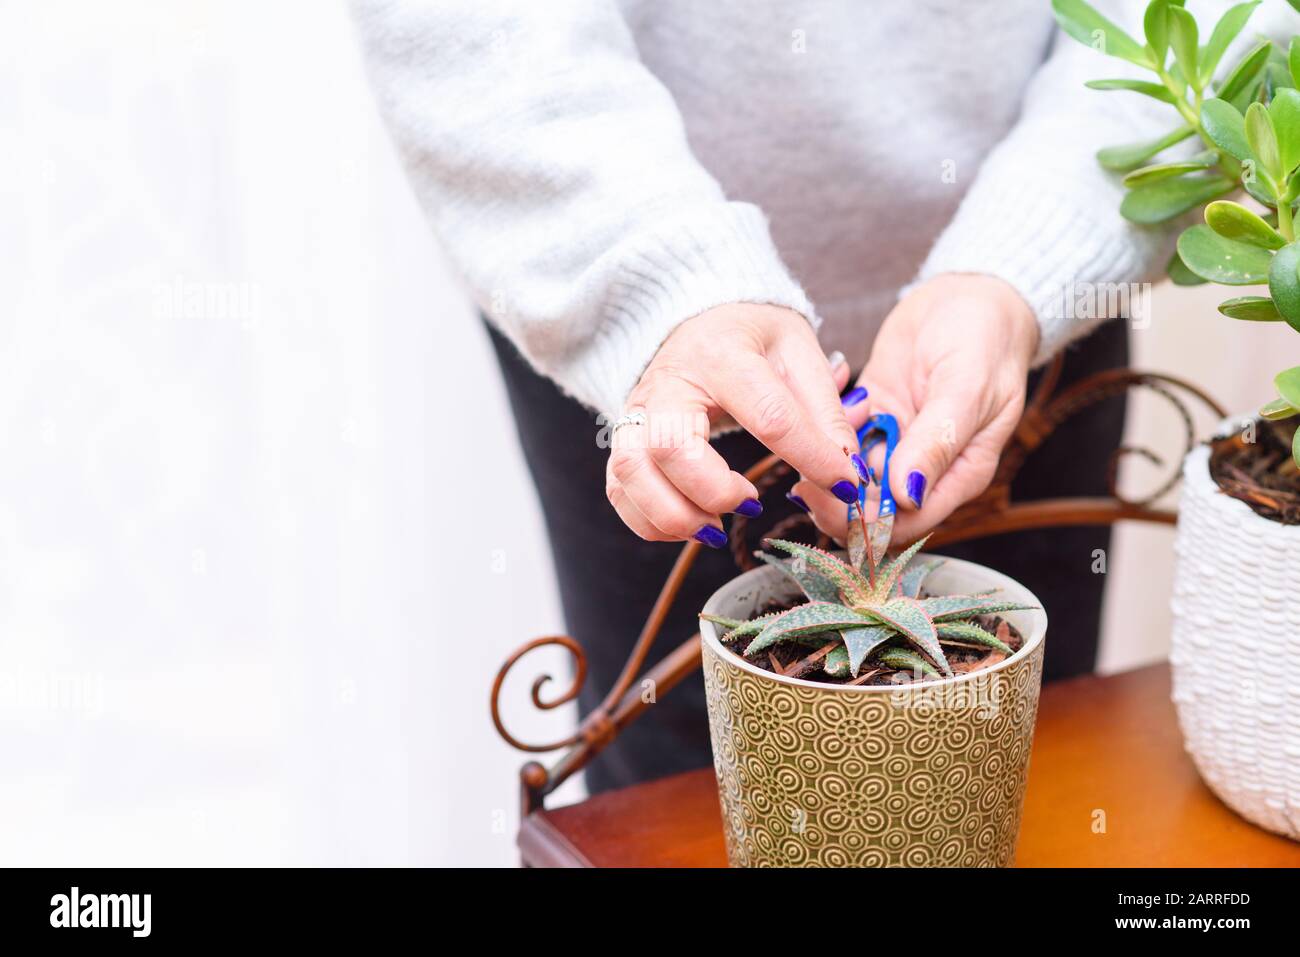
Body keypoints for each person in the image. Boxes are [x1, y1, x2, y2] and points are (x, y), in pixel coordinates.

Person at [351, 0, 1173, 791]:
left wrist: (1026, 260)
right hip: (642, 327)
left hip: (1019, 315)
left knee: (1033, 780)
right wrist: (660, 283)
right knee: (671, 805)